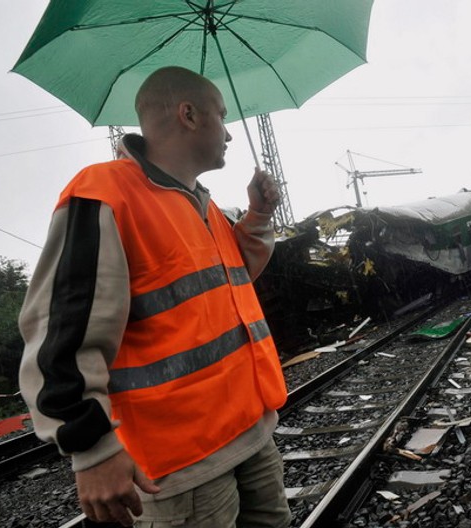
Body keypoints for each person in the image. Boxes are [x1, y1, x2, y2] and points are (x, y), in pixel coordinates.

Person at [18, 66, 291, 528]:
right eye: (221, 116)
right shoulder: (104, 195)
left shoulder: (200, 202)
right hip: (179, 465)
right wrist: (92, 448)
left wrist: (259, 216)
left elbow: (233, 282)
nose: (229, 134)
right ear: (189, 115)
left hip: (249, 430)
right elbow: (59, 332)